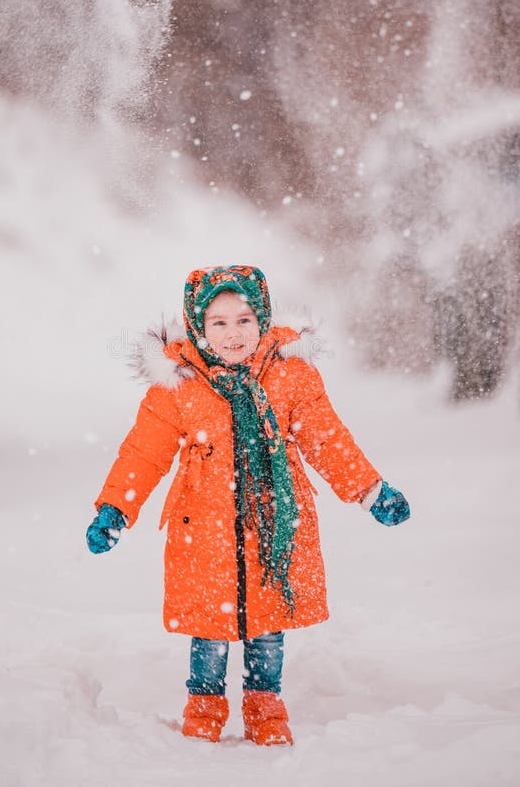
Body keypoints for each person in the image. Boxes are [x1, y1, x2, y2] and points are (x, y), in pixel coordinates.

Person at [86, 265, 410, 746]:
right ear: (198, 327)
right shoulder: (178, 385)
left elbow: (325, 440)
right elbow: (144, 451)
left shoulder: (290, 376)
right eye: (218, 323)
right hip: (204, 523)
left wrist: (369, 489)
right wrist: (116, 507)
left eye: (243, 320)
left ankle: (264, 705)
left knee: (268, 620)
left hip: (272, 518)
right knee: (209, 624)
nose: (233, 334)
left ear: (262, 319)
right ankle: (204, 703)